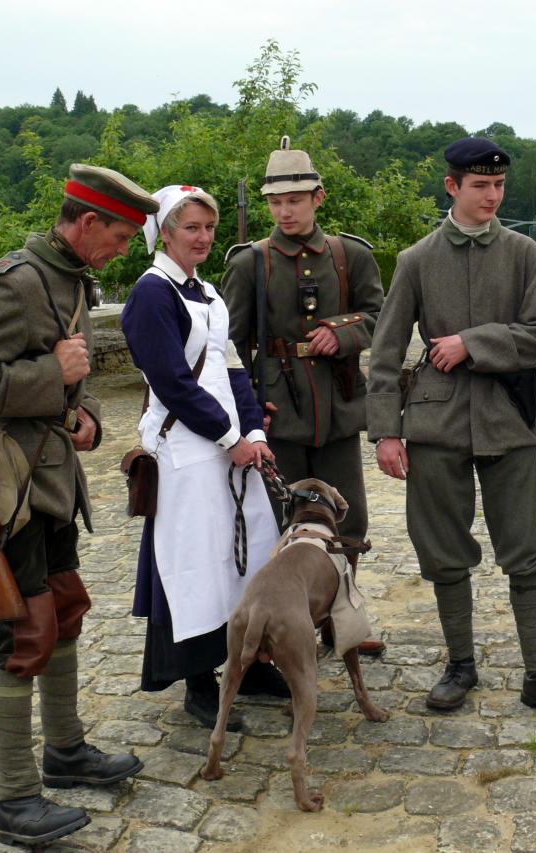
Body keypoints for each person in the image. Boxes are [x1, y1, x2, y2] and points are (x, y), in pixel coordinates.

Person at [0, 164, 155, 846]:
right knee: (23, 634)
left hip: (51, 483)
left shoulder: (68, 279)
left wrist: (82, 411)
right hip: (10, 491)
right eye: (117, 235)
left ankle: (65, 751)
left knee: (63, 611)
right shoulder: (15, 281)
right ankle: (15, 798)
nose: (122, 250)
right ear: (85, 223)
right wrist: (50, 378)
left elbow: (70, 368)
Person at [367, 137, 536, 726]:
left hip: (508, 420)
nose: (492, 196)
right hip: (434, 426)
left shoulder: (525, 255)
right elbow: (385, 353)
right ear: (452, 187)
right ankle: (460, 664)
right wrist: (386, 432)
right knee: (442, 549)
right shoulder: (416, 260)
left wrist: (474, 343)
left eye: (498, 186)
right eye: (480, 186)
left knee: (527, 550)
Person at [121, 185, 281, 732]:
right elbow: (170, 381)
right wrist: (226, 436)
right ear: (164, 233)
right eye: (192, 228)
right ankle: (198, 683)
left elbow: (233, 370)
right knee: (195, 561)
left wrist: (254, 429)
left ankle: (254, 663)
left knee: (251, 550)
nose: (204, 238)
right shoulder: (152, 293)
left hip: (228, 442)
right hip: (185, 449)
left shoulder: (208, 293)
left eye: (209, 228)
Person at [222, 137, 386, 656]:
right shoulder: (251, 263)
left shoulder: (350, 255)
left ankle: (345, 621)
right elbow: (227, 346)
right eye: (275, 202)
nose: (284, 211)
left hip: (337, 407)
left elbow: (382, 318)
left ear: (318, 197)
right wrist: (247, 408)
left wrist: (343, 332)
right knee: (280, 519)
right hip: (277, 412)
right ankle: (279, 627)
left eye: (294, 200)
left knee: (348, 518)